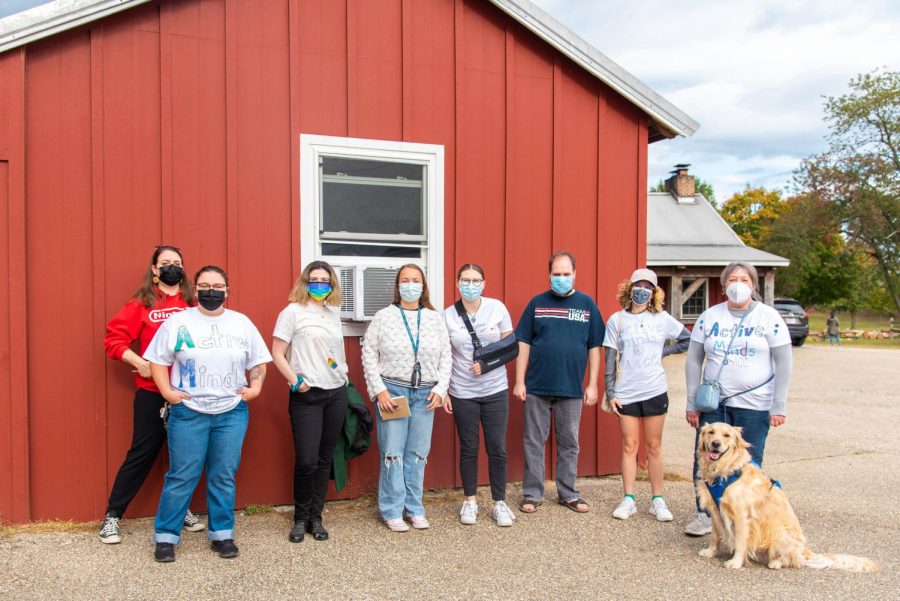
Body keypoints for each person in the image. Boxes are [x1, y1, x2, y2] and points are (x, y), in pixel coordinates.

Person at [144, 266, 272, 562]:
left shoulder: (241, 323)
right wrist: (166, 392)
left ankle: (222, 534)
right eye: (204, 285)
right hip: (189, 411)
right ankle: (165, 537)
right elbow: (157, 360)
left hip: (231, 412)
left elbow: (258, 360)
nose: (210, 290)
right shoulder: (178, 322)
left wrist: (256, 387)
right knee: (182, 475)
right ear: (195, 288)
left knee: (223, 475)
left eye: (217, 286)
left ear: (227, 291)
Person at [99, 245, 203, 544]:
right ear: (155, 270)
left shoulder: (193, 303)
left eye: (178, 263)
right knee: (142, 453)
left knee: (184, 456)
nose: (172, 267)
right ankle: (112, 516)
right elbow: (114, 339)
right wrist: (139, 362)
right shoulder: (142, 303)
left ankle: (178, 509)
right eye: (166, 263)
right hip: (152, 394)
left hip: (189, 394)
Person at [683, 261, 793, 536]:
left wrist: (778, 405)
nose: (738, 284)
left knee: (748, 462)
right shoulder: (709, 317)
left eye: (745, 279)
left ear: (753, 285)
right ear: (723, 286)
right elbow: (694, 360)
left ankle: (744, 516)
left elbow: (784, 361)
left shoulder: (769, 318)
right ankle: (706, 515)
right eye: (733, 279)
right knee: (706, 457)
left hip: (754, 405)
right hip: (714, 403)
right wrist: (691, 401)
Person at [361, 264, 452, 532]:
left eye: (416, 280)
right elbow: (369, 354)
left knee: (418, 453)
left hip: (425, 394)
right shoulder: (384, 317)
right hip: (394, 392)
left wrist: (440, 388)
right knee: (392, 452)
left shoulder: (434, 319)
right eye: (405, 280)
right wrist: (379, 390)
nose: (410, 285)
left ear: (423, 286)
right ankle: (391, 509)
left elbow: (446, 356)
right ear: (397, 285)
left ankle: (415, 508)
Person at [513, 251, 604, 514]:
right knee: (533, 441)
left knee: (569, 443)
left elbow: (595, 346)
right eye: (557, 274)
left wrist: (593, 384)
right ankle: (532, 493)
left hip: (571, 388)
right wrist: (520, 381)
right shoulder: (537, 304)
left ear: (575, 274)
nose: (561, 278)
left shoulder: (586, 305)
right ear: (549, 275)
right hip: (537, 387)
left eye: (566, 274)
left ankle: (568, 493)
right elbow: (523, 343)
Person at [603, 268, 690, 522]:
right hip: (626, 392)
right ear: (630, 289)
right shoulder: (617, 320)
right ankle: (629, 498)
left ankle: (657, 499)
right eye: (638, 285)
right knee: (630, 445)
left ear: (654, 293)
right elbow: (609, 359)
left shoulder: (662, 319)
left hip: (654, 389)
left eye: (648, 286)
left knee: (654, 445)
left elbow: (688, 339)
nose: (643, 290)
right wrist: (610, 392)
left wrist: (665, 352)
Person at [272, 261, 349, 543]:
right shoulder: (292, 312)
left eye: (324, 281)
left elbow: (333, 354)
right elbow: (277, 353)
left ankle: (316, 517)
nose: (319, 285)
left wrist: (343, 377)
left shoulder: (333, 314)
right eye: (314, 280)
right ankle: (300, 517)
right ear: (305, 282)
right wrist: (294, 380)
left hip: (335, 393)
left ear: (332, 285)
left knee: (324, 458)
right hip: (307, 396)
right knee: (306, 460)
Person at [442, 263, 516, 527]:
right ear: (457, 282)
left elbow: (511, 348)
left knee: (497, 448)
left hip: (495, 390)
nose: (470, 285)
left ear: (484, 283)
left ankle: (500, 503)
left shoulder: (497, 308)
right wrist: (445, 390)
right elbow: (444, 356)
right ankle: (470, 501)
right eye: (465, 280)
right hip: (463, 392)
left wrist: (487, 365)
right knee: (469, 448)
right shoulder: (448, 316)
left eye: (475, 280)